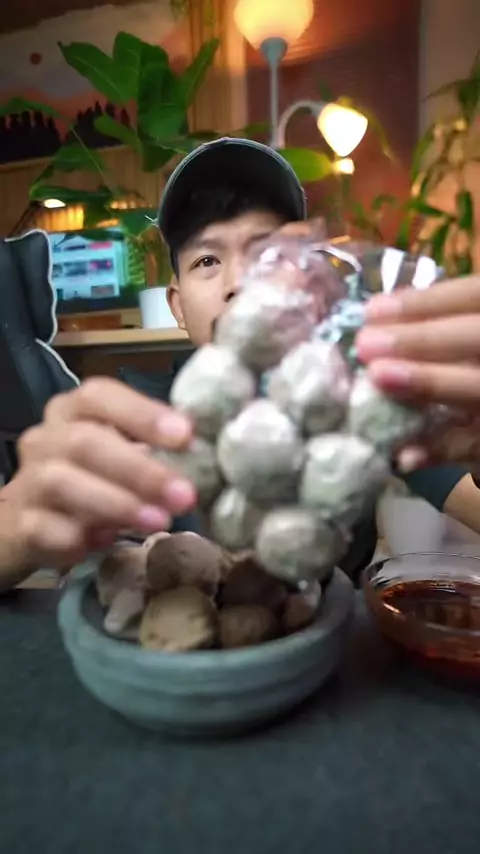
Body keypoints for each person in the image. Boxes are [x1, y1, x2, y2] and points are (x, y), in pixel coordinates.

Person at [1, 138, 480, 591]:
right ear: (178, 306)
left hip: (329, 638)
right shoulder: (137, 416)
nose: (239, 282)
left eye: (266, 254)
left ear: (311, 284)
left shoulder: (356, 408)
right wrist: (19, 530)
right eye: (207, 261)